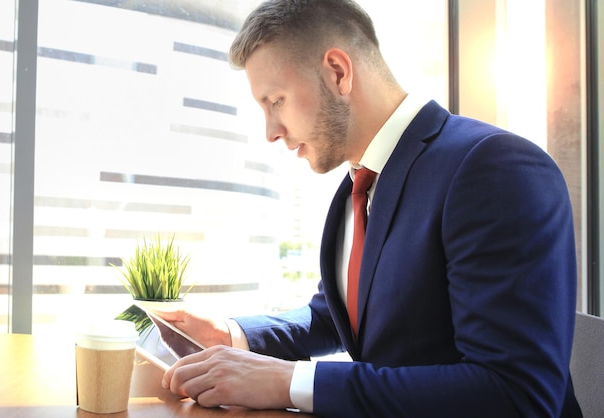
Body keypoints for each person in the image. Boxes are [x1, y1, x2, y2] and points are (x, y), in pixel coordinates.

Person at [155, 0, 583, 416]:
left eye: (276, 101)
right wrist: (231, 335)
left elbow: (514, 394)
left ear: (338, 72)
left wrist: (287, 381)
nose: (271, 131)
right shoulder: (359, 184)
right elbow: (336, 316)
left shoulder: (494, 167)